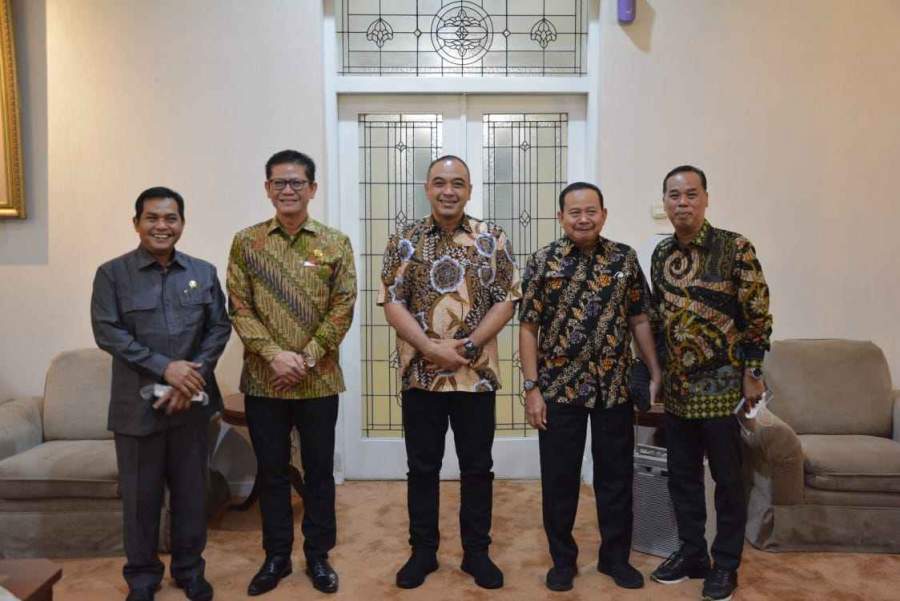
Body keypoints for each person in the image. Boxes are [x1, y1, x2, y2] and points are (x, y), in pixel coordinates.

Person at [378, 155, 521, 590]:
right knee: (422, 468)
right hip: (421, 376)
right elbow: (392, 302)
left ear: (469, 190)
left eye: (458, 183)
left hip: (476, 377)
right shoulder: (404, 240)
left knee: (477, 467)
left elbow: (507, 299)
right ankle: (423, 552)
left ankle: (476, 553)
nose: (448, 191)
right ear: (427, 188)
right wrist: (429, 348)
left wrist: (470, 345)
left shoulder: (491, 238)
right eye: (439, 182)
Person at [519, 182, 661, 592]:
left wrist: (655, 371)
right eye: (575, 212)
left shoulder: (623, 259)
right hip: (559, 390)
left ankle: (615, 559)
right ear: (560, 217)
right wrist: (532, 388)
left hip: (613, 389)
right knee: (559, 481)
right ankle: (562, 561)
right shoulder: (543, 261)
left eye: (591, 211)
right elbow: (528, 328)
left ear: (604, 214)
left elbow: (639, 318)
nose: (583, 219)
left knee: (615, 479)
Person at [226, 150, 357, 596]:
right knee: (272, 472)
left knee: (319, 473)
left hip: (319, 380)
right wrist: (274, 356)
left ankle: (318, 555)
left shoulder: (335, 243)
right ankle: (276, 556)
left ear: (312, 189)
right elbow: (239, 308)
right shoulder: (247, 243)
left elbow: (343, 307)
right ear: (267, 188)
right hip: (264, 381)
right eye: (279, 182)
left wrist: (307, 357)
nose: (288, 190)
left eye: (297, 182)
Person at [91, 187, 231, 601]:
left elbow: (218, 328)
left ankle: (189, 571)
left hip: (191, 405)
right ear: (136, 223)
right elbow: (108, 332)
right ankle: (142, 579)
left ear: (182, 224)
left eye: (170, 218)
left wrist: (191, 377)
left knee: (192, 496)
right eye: (152, 218)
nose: (161, 226)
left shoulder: (203, 272)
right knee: (140, 501)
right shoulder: (112, 274)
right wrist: (166, 368)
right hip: (137, 409)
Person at [649, 165, 772, 601]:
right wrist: (656, 373)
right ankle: (692, 554)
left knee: (728, 482)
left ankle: (726, 564)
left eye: (690, 194)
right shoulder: (660, 254)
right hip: (678, 392)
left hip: (723, 390)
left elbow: (757, 314)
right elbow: (659, 319)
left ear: (705, 199)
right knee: (681, 479)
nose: (682, 202)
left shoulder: (735, 247)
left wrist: (752, 372)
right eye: (674, 195)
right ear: (665, 202)